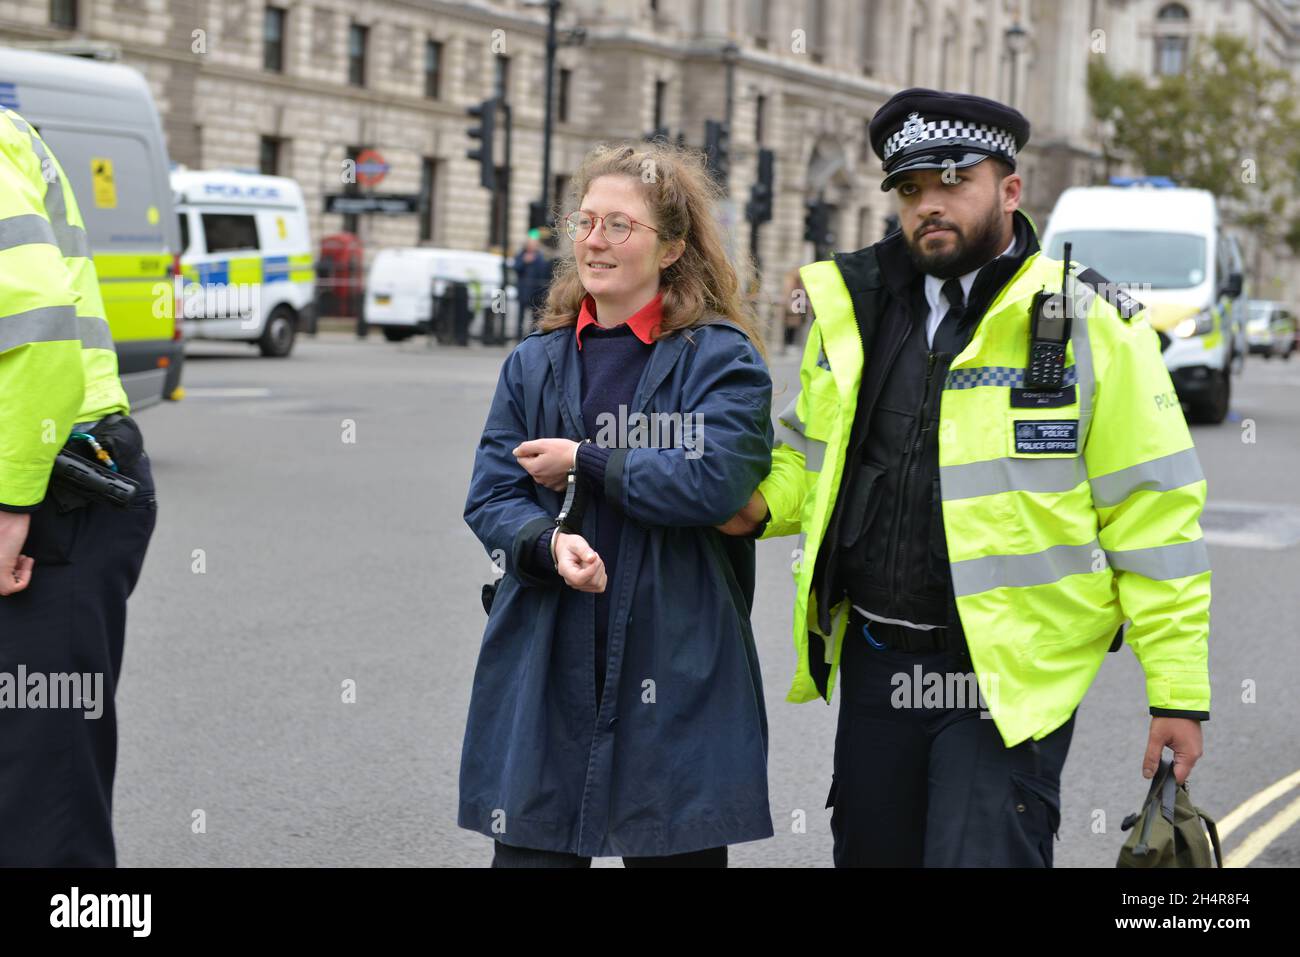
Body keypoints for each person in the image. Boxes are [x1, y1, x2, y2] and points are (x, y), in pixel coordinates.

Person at [719, 88, 1211, 867]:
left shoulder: (1092, 324)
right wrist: (743, 503)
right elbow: (811, 465)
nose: (929, 205)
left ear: (1010, 191)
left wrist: (1177, 691)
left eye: (954, 181)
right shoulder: (856, 310)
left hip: (1007, 679)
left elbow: (1153, 515)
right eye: (911, 189)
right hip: (880, 661)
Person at [460, 141, 774, 867]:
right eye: (585, 221)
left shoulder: (720, 358)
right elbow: (491, 493)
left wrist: (586, 460)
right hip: (548, 648)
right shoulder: (534, 361)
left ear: (671, 248)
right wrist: (544, 544)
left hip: (677, 654)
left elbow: (715, 480)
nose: (594, 240)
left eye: (619, 225)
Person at [0, 108, 157, 866]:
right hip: (48, 473)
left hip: (56, 485)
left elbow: (35, 328)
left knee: (44, 803)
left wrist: (9, 505)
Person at [511, 230, 554, 341]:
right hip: (523, 291)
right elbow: (515, 268)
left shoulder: (539, 256)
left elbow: (544, 271)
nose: (532, 246)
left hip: (535, 292)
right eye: (530, 244)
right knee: (520, 317)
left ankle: (531, 337)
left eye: (534, 244)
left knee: (535, 317)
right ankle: (518, 337)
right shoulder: (521, 255)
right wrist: (524, 261)